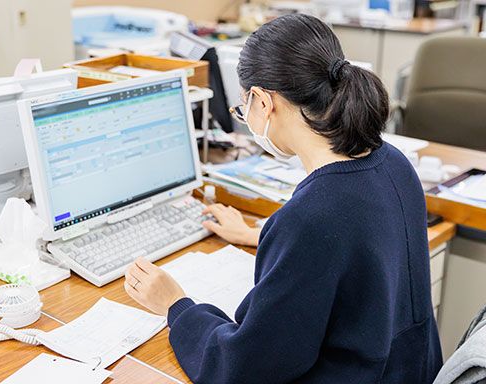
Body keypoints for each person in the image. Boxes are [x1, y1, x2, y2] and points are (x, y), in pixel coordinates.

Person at [124, 14, 442, 383]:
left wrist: (175, 306)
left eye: (244, 109)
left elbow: (243, 368)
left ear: (262, 100)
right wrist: (259, 236)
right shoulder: (392, 162)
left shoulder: (311, 218)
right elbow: (356, 251)